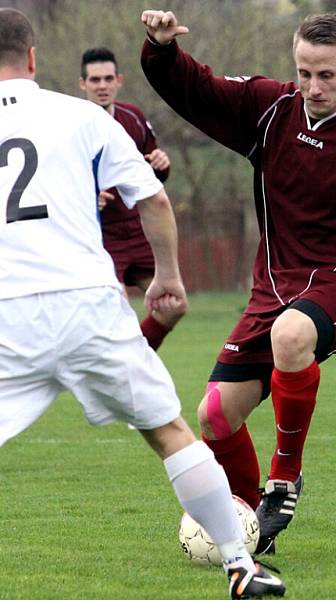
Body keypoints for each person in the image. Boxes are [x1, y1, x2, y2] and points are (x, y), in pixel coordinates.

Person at [0, 9, 283, 598]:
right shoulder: (81, 116)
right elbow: (152, 200)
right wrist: (167, 276)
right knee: (170, 432)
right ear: (33, 59)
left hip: (7, 311)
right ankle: (240, 566)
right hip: (87, 303)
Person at [139, 9, 336, 555]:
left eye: (326, 75)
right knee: (213, 415)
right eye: (303, 73)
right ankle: (251, 529)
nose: (313, 86)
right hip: (274, 287)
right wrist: (161, 51)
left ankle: (285, 477)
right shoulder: (270, 110)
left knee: (291, 335)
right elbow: (197, 90)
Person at [79, 46, 185, 351]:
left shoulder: (133, 118)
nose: (102, 85)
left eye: (108, 78)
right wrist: (86, 196)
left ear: (119, 80)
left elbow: (148, 174)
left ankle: (135, 360)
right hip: (102, 237)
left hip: (139, 230)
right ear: (82, 84)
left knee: (175, 305)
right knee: (119, 319)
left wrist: (162, 166)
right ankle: (131, 368)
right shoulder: (72, 124)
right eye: (95, 80)